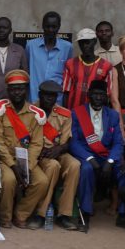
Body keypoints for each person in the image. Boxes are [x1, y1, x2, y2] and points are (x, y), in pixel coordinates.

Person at [0, 70, 50, 229]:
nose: (17, 92)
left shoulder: (36, 114)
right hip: (5, 159)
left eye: (21, 88)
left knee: (42, 181)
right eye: (13, 89)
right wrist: (14, 166)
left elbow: (37, 144)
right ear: (8, 90)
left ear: (27, 90)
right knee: (9, 180)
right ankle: (5, 217)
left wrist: (27, 168)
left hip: (26, 160)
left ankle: (21, 214)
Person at [69, 80, 125, 232]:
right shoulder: (77, 113)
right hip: (87, 155)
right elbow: (73, 142)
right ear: (89, 95)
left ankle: (122, 215)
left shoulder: (113, 115)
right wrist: (90, 159)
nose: (98, 98)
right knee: (86, 170)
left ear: (106, 97)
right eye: (95, 94)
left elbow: (118, 142)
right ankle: (86, 213)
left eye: (101, 95)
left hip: (107, 155)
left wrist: (110, 161)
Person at [32, 81, 79, 230]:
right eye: (46, 95)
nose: (49, 99)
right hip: (38, 154)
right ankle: (41, 213)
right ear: (40, 95)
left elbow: (66, 140)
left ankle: (64, 214)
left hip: (57, 150)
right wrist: (39, 151)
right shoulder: (31, 111)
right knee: (53, 166)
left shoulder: (64, 113)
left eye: (53, 96)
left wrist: (58, 149)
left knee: (74, 165)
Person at [61, 28, 113, 110]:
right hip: (74, 112)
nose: (85, 46)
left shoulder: (106, 66)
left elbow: (107, 95)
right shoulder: (70, 64)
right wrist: (65, 114)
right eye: (81, 43)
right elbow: (66, 93)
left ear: (95, 41)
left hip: (96, 114)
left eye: (88, 42)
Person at [25, 11, 69, 103]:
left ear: (59, 27)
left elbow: (68, 75)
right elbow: (27, 70)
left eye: (54, 27)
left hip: (57, 100)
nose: (50, 30)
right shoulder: (31, 46)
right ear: (42, 26)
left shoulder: (67, 47)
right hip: (34, 99)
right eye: (47, 26)